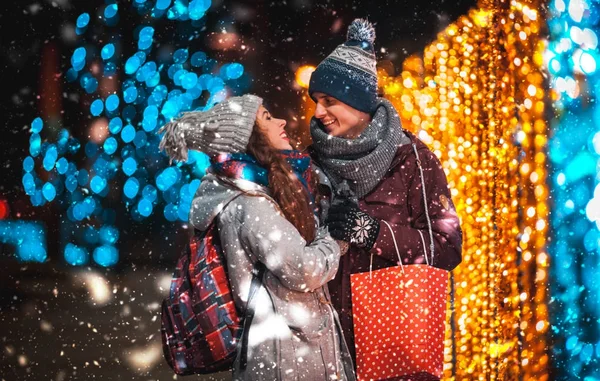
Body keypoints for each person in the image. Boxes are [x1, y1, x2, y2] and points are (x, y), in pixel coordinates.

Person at [159, 94, 355, 381]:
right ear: (249, 141)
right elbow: (303, 269)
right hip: (286, 357)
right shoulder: (250, 204)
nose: (282, 121)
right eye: (266, 118)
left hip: (292, 351)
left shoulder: (259, 191)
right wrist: (337, 238)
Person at [307, 18, 463, 368]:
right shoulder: (309, 162)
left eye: (329, 101)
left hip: (392, 343)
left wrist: (370, 231)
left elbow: (447, 247)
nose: (318, 112)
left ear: (360, 103)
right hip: (319, 345)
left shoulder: (413, 159)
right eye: (317, 100)